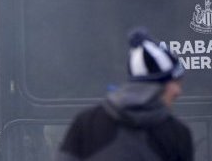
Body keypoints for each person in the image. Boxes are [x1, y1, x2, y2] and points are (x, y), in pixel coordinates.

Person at [56, 28, 192, 160]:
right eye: (174, 82)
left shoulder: (86, 123)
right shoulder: (177, 133)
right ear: (153, 87)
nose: (178, 91)